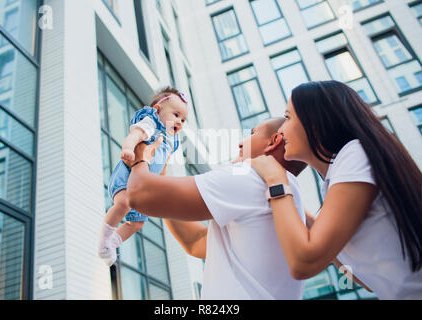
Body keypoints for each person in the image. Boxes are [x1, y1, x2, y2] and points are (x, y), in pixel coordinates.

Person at [249, 80, 422, 299]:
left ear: (315, 122)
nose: (281, 131)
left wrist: (275, 179)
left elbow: (303, 262)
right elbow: (364, 280)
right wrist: (303, 217)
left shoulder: (355, 154)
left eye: (288, 118)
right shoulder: (337, 176)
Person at [125, 118, 311, 299]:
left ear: (274, 141)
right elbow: (196, 242)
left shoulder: (251, 177)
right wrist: (163, 180)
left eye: (253, 133)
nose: (240, 143)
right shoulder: (284, 194)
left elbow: (139, 193)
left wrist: (140, 156)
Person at [98, 86, 188, 266]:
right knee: (123, 203)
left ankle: (113, 243)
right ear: (158, 110)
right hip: (127, 175)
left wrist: (162, 185)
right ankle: (103, 239)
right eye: (176, 115)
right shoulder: (151, 123)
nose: (179, 121)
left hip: (142, 187)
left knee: (137, 223)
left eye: (183, 120)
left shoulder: (171, 141)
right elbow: (134, 135)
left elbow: (163, 167)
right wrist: (128, 149)